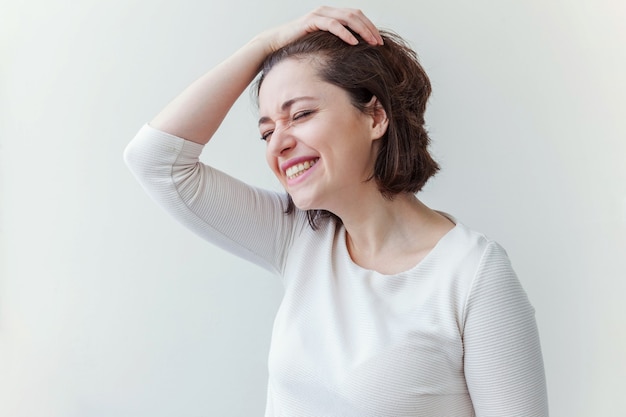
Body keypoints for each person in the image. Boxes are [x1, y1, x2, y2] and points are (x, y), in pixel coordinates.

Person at [124, 6, 549, 417]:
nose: (278, 143)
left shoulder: (473, 276)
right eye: (267, 131)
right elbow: (155, 160)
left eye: (302, 114)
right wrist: (264, 43)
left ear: (375, 116)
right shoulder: (299, 237)